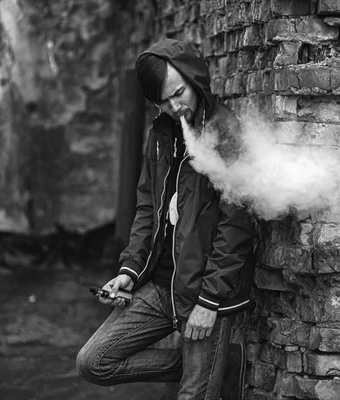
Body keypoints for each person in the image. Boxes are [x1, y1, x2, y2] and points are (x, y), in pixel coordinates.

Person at [76, 38, 256, 400]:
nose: (175, 106)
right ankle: (220, 364)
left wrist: (209, 302)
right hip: (160, 288)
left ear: (194, 79)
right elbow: (148, 208)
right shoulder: (161, 133)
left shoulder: (227, 135)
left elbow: (237, 225)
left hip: (203, 291)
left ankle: (209, 366)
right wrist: (129, 271)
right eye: (163, 100)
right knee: (93, 362)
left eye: (179, 93)